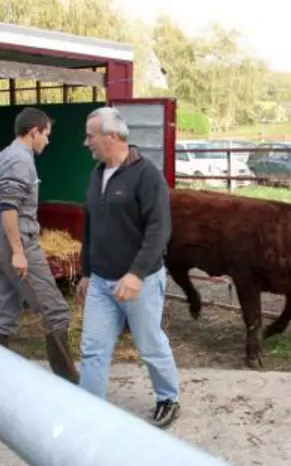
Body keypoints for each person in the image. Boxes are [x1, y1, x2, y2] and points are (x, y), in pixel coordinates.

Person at [77, 106, 180, 428]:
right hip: (100, 282)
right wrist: (84, 272)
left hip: (141, 282)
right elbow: (90, 227)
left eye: (90, 135)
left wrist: (136, 273)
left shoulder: (146, 174)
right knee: (92, 348)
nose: (85, 142)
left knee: (149, 345)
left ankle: (168, 397)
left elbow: (159, 230)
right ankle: (88, 409)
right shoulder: (97, 175)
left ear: (111, 136)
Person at [0, 107, 79, 383]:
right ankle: (70, 383)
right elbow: (9, 207)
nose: (47, 140)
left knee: (3, 313)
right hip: (18, 246)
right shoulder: (20, 160)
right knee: (56, 312)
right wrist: (19, 251)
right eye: (46, 134)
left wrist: (4, 237)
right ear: (33, 131)